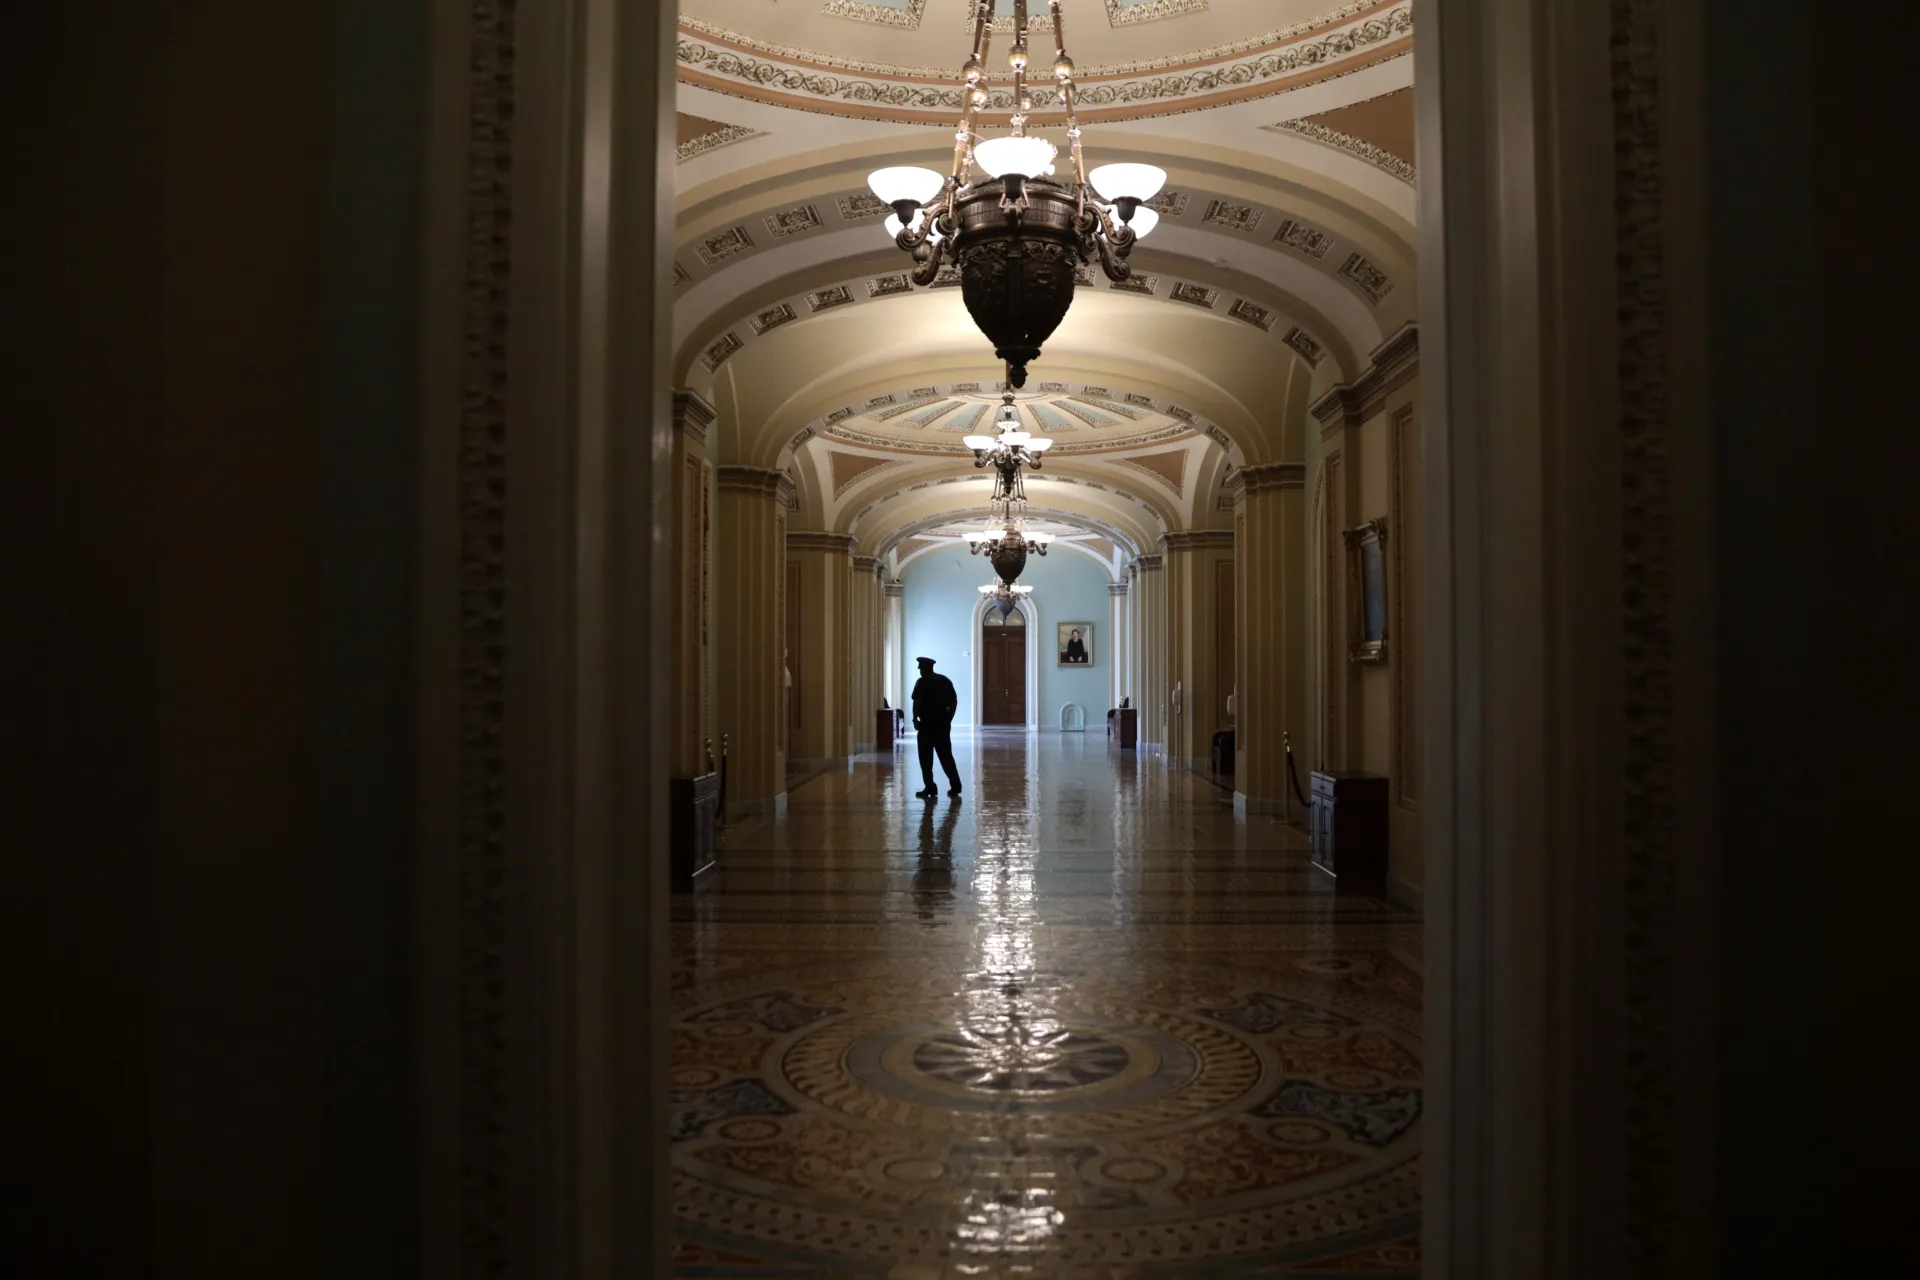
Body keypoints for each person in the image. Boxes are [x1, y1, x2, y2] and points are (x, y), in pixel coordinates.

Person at [909, 655, 962, 800]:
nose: (920, 671)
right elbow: (954, 701)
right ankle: (956, 785)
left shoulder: (921, 682)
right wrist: (950, 718)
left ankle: (930, 787)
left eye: (921, 669)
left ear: (924, 669)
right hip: (942, 725)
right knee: (946, 756)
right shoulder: (945, 681)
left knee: (926, 759)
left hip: (927, 725)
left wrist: (915, 718)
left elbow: (917, 703)